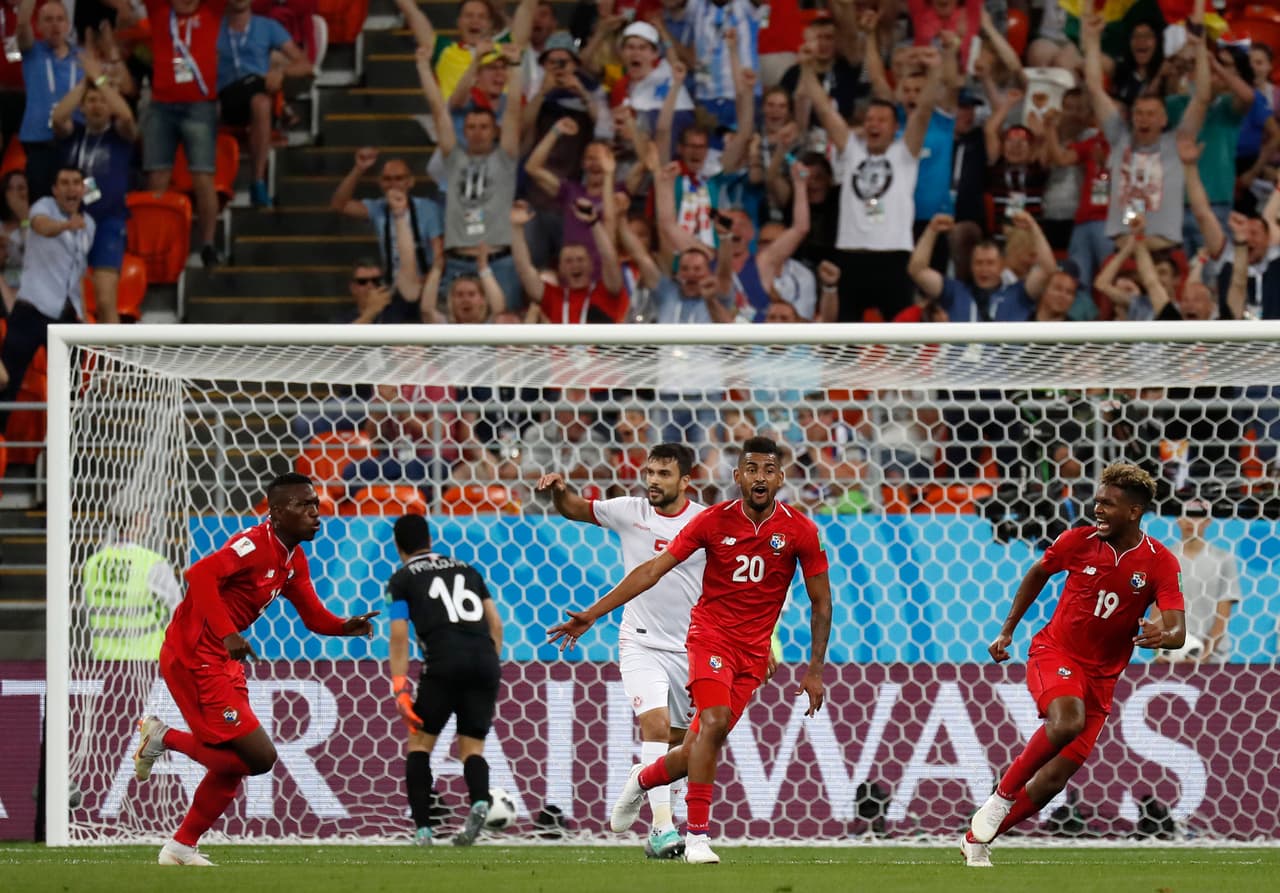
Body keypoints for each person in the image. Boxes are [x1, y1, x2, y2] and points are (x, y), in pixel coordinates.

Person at [549, 436, 832, 864]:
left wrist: (815, 670)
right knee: (710, 723)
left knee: (698, 744)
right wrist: (594, 613)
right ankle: (695, 838)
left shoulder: (800, 531)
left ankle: (642, 781)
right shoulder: (711, 522)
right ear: (737, 476)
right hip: (707, 638)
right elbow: (651, 571)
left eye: (768, 470)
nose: (759, 477)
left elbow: (821, 602)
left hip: (751, 654)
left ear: (780, 477)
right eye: (750, 469)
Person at [131, 472, 379, 866]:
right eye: (304, 505)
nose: (315, 513)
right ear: (277, 513)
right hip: (194, 656)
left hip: (221, 659)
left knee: (236, 765)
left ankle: (180, 848)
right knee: (259, 757)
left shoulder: (293, 557)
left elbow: (313, 616)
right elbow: (199, 575)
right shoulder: (254, 545)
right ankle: (164, 737)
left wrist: (343, 627)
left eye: (316, 504)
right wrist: (229, 634)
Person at [965, 462, 1185, 868]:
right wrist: (1007, 630)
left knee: (1052, 781)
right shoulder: (1076, 541)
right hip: (1055, 653)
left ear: (1135, 511)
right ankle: (1000, 798)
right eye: (1097, 502)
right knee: (1066, 721)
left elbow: (1178, 631)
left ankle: (975, 839)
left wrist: (1163, 636)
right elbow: (1037, 573)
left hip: (1103, 677)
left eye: (1109, 504)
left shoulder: (1160, 563)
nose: (1098, 510)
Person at [536, 443, 705, 859]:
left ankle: (640, 779)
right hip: (640, 639)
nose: (652, 481)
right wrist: (559, 490)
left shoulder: (705, 522)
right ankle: (664, 830)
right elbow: (575, 508)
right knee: (657, 726)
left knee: (681, 746)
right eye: (649, 472)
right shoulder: (631, 511)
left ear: (685, 480)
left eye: (663, 474)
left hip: (689, 647)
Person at [386, 513, 504, 846]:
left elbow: (398, 636)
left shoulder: (402, 579)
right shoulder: (467, 569)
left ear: (398, 546)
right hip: (484, 660)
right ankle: (479, 800)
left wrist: (400, 686)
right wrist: (488, 663)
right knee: (472, 747)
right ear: (430, 540)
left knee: (420, 744)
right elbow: (495, 624)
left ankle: (423, 829)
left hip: (442, 663)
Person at [0, 165, 93, 428]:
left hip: (66, 315)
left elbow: (78, 274)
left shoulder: (90, 225)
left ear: (83, 189)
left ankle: (70, 457)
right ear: (54, 190)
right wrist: (67, 224)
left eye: (76, 182)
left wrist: (84, 317)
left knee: (72, 391)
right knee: (6, 383)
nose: (71, 188)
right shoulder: (42, 208)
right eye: (64, 182)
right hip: (31, 310)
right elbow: (41, 227)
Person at [51, 47, 136, 324]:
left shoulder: (119, 135)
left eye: (102, 101)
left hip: (108, 221)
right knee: (70, 301)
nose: (97, 105)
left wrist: (99, 80)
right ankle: (81, 363)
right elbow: (58, 117)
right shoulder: (72, 135)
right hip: (72, 221)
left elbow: (126, 117)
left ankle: (115, 365)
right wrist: (84, 83)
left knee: (105, 298)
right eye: (91, 101)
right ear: (83, 106)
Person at [217, 0, 312, 208]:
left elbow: (305, 64)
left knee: (261, 101)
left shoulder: (268, 26)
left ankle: (258, 182)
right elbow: (186, 60)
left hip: (258, 94)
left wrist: (282, 72)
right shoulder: (212, 26)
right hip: (222, 98)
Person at [81, 517, 183, 661]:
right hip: (147, 662)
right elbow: (180, 614)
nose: (149, 521)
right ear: (137, 519)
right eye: (145, 516)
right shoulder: (152, 563)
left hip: (102, 660)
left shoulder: (92, 563)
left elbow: (85, 612)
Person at [1161, 498, 1241, 664]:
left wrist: (1204, 657)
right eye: (1186, 515)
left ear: (1208, 521)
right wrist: (1160, 653)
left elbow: (1222, 616)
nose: (1191, 521)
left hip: (1214, 660)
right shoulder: (1164, 558)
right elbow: (1158, 611)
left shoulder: (1223, 559)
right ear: (1178, 519)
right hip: (1172, 657)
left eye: (1197, 516)